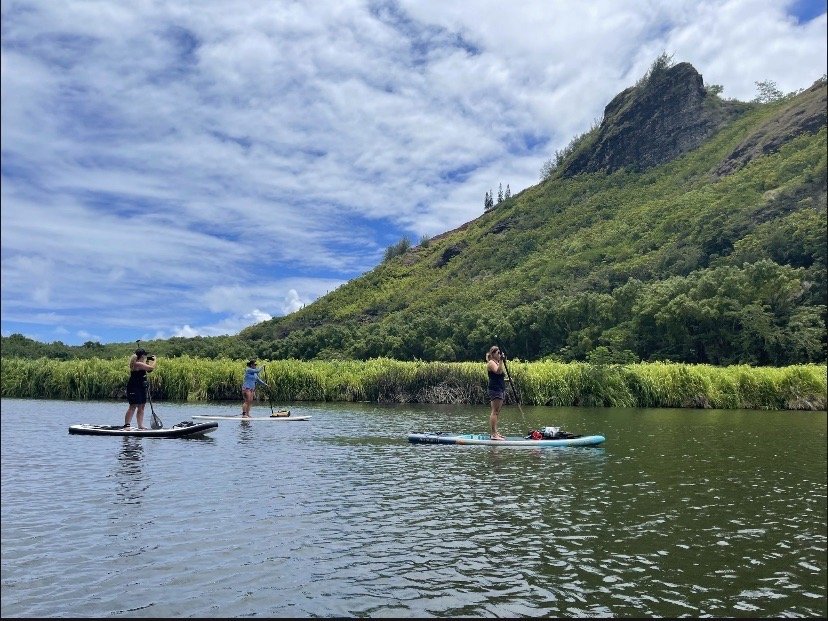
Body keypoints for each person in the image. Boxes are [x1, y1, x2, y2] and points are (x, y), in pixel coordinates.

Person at [124, 348, 157, 429]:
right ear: (142, 356)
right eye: (145, 355)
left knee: (142, 406)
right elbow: (151, 368)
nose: (146, 357)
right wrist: (155, 360)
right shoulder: (137, 364)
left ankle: (140, 425)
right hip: (134, 388)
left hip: (141, 387)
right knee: (133, 406)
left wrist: (148, 361)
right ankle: (127, 425)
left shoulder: (141, 364)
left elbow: (148, 371)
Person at [486, 345, 508, 440]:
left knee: (497, 412)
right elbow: (498, 372)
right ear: (493, 354)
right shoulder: (491, 363)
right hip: (495, 389)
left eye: (500, 353)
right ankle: (494, 434)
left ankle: (496, 432)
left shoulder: (497, 362)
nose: (500, 354)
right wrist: (502, 361)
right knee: (494, 412)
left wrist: (507, 380)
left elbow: (499, 377)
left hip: (500, 388)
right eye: (498, 353)